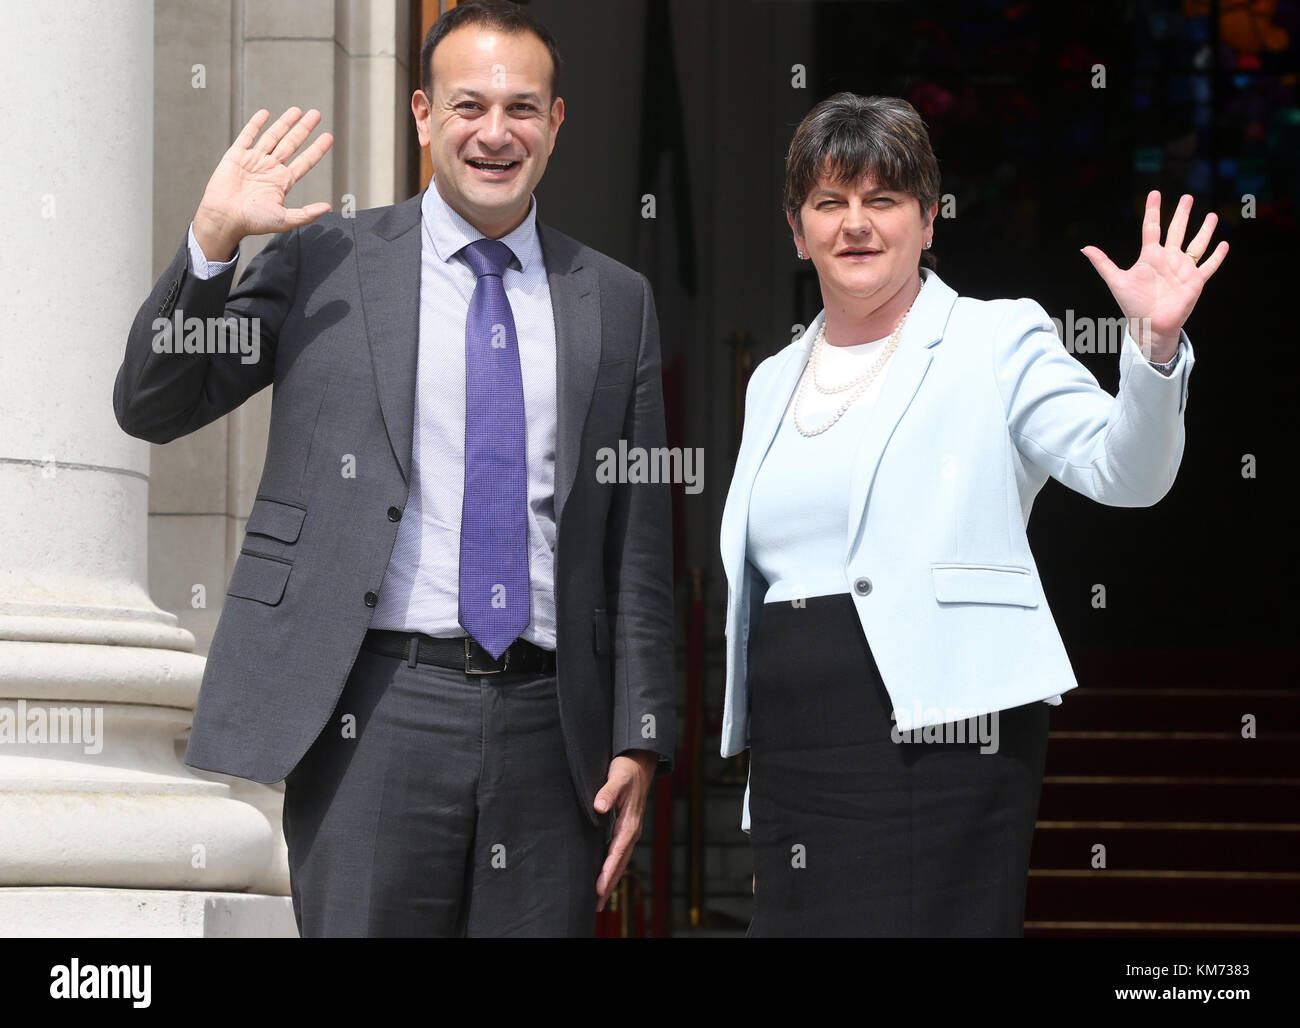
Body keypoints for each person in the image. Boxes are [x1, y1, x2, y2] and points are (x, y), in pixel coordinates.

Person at [113, 0, 674, 937]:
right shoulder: (324, 259)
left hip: (551, 729)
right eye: (467, 105)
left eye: (523, 107)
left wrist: (641, 734)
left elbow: (639, 543)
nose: (495, 132)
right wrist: (212, 239)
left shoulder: (616, 300)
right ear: (421, 115)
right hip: (371, 714)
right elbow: (155, 403)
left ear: (557, 121)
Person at [718, 93, 1225, 937]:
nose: (856, 225)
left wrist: (1154, 349)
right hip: (797, 746)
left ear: (927, 220)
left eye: (883, 200)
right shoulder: (771, 378)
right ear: (796, 228)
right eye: (829, 202)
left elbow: (1125, 472)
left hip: (946, 736)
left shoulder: (997, 338)